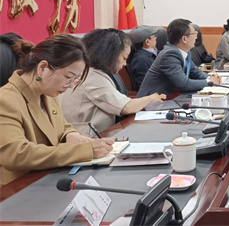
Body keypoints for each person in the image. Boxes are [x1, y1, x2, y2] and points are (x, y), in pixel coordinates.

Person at [0, 34, 114, 186]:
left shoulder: (47, 93)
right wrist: (85, 151)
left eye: (76, 80)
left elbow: (61, 126)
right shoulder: (6, 100)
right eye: (69, 77)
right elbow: (16, 154)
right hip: (17, 189)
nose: (71, 85)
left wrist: (71, 135)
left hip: (48, 178)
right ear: (42, 68)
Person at [61, 29, 166, 135]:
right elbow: (126, 107)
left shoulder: (95, 72)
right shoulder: (93, 77)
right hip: (87, 138)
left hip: (100, 132)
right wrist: (151, 98)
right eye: (124, 58)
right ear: (111, 55)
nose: (125, 64)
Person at [138, 19, 221, 97]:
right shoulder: (169, 55)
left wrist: (210, 77)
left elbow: (195, 72)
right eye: (194, 33)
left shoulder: (185, 52)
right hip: (152, 104)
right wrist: (209, 82)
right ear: (184, 39)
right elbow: (183, 84)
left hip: (170, 99)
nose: (196, 36)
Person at [127, 25, 159, 90]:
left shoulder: (157, 53)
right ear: (147, 42)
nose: (156, 37)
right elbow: (143, 85)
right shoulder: (140, 59)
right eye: (154, 36)